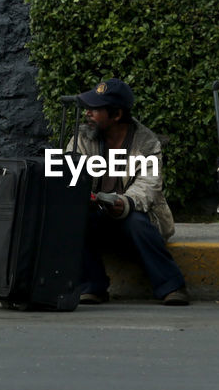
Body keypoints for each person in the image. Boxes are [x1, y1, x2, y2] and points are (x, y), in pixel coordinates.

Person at [66, 78, 189, 306]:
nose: (87, 113)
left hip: (135, 213)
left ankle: (172, 286)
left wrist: (125, 203)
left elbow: (148, 185)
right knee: (73, 220)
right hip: (97, 215)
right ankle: (92, 287)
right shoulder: (82, 139)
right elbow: (71, 179)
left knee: (136, 222)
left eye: (95, 109)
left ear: (116, 115)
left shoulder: (147, 143)